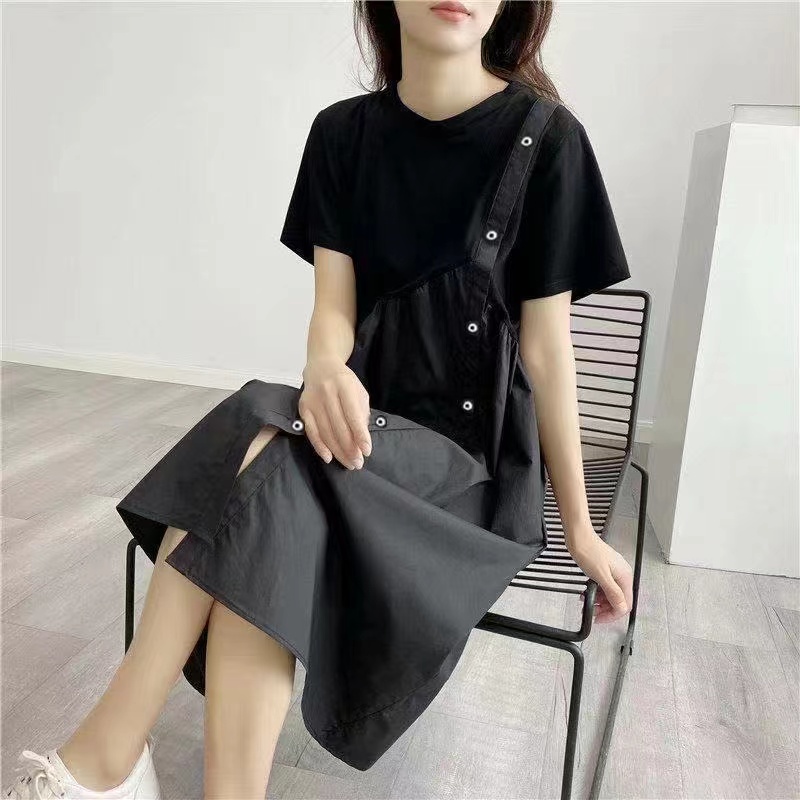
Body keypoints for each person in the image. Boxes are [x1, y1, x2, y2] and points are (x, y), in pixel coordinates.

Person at [4, 2, 635, 798]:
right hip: (357, 435)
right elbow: (333, 307)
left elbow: (548, 349)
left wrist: (578, 530)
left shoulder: (548, 140)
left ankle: (105, 759)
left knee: (263, 445)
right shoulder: (343, 135)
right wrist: (326, 366)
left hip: (468, 476)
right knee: (273, 501)